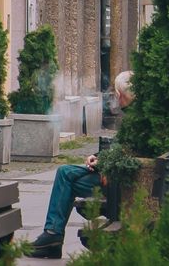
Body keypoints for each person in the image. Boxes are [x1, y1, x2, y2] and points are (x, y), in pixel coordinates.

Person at [27, 73, 134, 258]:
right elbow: (121, 148)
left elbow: (127, 153)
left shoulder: (134, 118)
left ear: (119, 93)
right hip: (112, 176)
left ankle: (53, 236)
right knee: (65, 173)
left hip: (117, 183)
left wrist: (105, 164)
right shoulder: (133, 114)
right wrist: (98, 157)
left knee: (66, 178)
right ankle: (52, 235)